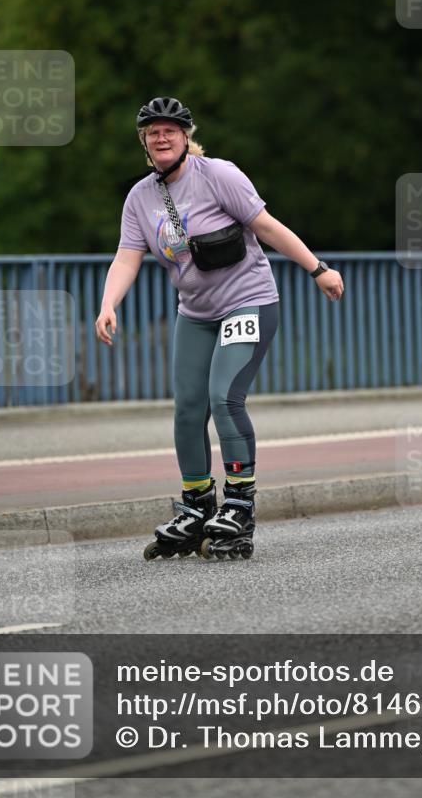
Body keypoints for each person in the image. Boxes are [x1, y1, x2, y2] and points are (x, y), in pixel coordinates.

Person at [95, 96, 344, 560]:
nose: (162, 137)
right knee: (188, 408)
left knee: (223, 398)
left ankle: (239, 505)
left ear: (187, 136)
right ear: (144, 144)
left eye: (171, 130)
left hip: (248, 301)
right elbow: (127, 258)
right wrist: (109, 303)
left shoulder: (219, 175)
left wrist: (318, 270)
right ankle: (195, 506)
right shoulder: (140, 198)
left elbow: (267, 227)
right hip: (196, 313)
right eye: (153, 133)